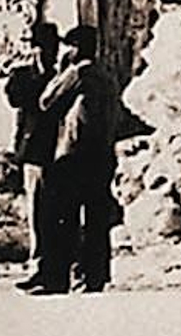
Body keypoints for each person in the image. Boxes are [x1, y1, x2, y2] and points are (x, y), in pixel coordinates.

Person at [32, 25, 120, 294]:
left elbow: (46, 100)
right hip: (101, 153)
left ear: (76, 48)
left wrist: (62, 71)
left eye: (68, 46)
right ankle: (95, 276)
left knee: (63, 217)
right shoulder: (107, 76)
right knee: (96, 219)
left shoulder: (78, 72)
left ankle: (57, 278)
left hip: (73, 154)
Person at [5, 21, 61, 292]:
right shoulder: (24, 75)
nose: (51, 52)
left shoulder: (62, 74)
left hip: (58, 152)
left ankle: (54, 269)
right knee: (38, 213)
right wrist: (35, 71)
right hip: (35, 152)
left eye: (53, 47)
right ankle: (39, 267)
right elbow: (15, 97)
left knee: (56, 213)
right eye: (46, 47)